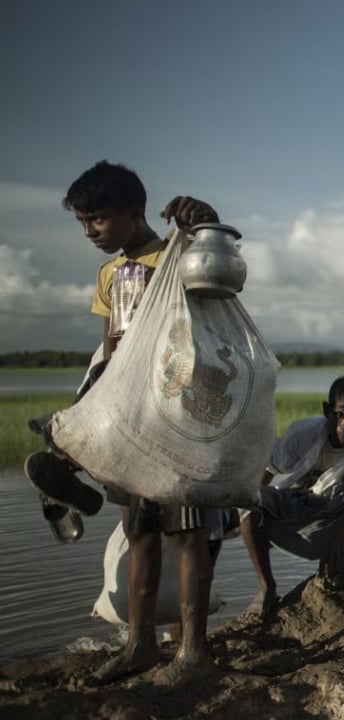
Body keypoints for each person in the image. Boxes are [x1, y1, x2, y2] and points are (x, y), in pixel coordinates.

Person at [22, 161, 224, 685]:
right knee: (140, 531)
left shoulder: (179, 254)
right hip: (133, 417)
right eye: (83, 222)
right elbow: (112, 347)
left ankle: (195, 651)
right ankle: (139, 645)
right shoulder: (111, 275)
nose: (90, 231)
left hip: (179, 416)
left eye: (99, 219)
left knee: (188, 533)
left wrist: (205, 224)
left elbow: (220, 276)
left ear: (135, 213)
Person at [238, 376, 344, 620]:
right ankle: (266, 588)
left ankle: (333, 572)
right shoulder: (304, 433)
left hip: (338, 513)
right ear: (327, 410)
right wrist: (250, 514)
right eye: (340, 414)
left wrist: (341, 527)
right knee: (250, 501)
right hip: (301, 505)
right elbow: (269, 467)